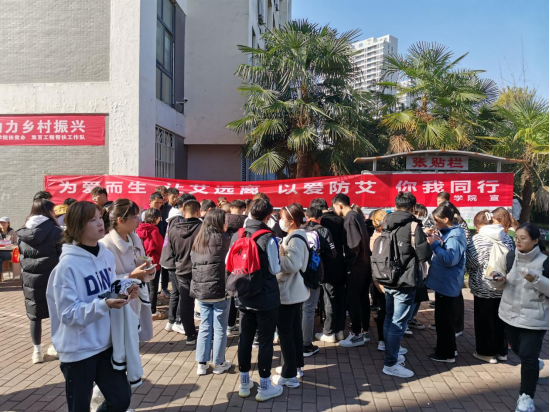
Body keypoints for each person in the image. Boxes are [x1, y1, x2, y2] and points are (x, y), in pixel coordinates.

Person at [47, 201, 137, 412]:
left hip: (106, 344)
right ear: (78, 226)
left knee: (121, 400)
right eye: (92, 220)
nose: (100, 223)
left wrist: (125, 288)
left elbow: (109, 286)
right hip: (78, 351)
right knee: (79, 407)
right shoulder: (66, 266)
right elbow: (68, 314)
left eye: (99, 218)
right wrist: (104, 305)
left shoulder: (105, 255)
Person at [231, 198, 283, 402]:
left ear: (250, 212)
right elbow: (275, 268)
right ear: (268, 216)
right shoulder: (268, 237)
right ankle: (264, 387)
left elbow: (230, 262)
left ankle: (244, 384)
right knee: (265, 342)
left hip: (243, 293)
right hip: (265, 298)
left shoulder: (238, 234)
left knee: (244, 339)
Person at [493, 223, 548, 412]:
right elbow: (496, 277)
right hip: (509, 315)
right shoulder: (509, 257)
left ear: (535, 240)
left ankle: (526, 398)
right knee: (518, 350)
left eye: (523, 238)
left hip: (535, 320)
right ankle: (533, 362)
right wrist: (497, 280)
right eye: (516, 237)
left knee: (528, 358)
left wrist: (536, 279)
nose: (518, 241)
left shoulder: (545, 262)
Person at [379, 192, 432, 378]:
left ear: (395, 206)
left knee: (389, 318)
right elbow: (424, 255)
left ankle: (390, 352)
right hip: (405, 280)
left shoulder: (385, 223)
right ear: (412, 208)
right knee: (398, 322)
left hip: (387, 278)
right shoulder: (413, 226)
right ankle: (391, 363)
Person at [99, 199, 156, 340]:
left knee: (133, 338)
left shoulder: (135, 238)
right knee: (122, 340)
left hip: (136, 297)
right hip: (119, 303)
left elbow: (141, 263)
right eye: (135, 216)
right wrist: (130, 276)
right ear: (120, 220)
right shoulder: (106, 244)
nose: (139, 220)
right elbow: (104, 281)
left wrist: (148, 269)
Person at [17, 199, 63, 363]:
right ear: (49, 212)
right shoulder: (56, 231)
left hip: (30, 279)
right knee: (56, 314)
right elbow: (63, 255)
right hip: (53, 277)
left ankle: (37, 352)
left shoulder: (22, 231)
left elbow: (21, 256)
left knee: (34, 315)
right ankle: (56, 347)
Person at [466, 210, 514, 364]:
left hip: (484, 285)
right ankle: (502, 351)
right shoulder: (506, 237)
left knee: (484, 320)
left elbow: (472, 262)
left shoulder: (478, 239)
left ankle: (486, 353)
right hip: (503, 284)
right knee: (501, 319)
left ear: (479, 225)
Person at [272, 204, 310, 387]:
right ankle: (295, 366)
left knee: (286, 332)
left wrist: (279, 256)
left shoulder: (295, 238)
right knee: (294, 330)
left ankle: (289, 375)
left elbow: (293, 265)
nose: (281, 222)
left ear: (292, 221)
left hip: (289, 291)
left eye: (283, 218)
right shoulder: (298, 236)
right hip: (295, 291)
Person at [191, 209, 232, 376]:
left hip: (201, 290)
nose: (227, 223)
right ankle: (219, 362)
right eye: (225, 220)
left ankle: (201, 363)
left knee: (205, 326)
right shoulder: (225, 240)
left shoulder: (198, 240)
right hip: (220, 289)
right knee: (220, 327)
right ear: (219, 222)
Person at [425, 204, 467, 364]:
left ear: (446, 219)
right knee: (443, 320)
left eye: (437, 221)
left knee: (444, 321)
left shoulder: (454, 237)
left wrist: (434, 244)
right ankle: (448, 348)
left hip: (447, 284)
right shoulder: (451, 232)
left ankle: (446, 354)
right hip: (445, 283)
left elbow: (450, 259)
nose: (435, 224)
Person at [332, 194, 371, 347]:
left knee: (354, 300)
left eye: (334, 207)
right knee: (363, 299)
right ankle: (364, 331)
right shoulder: (357, 216)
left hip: (356, 266)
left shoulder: (349, 218)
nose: (335, 211)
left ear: (340, 205)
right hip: (364, 264)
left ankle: (356, 334)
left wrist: (349, 262)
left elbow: (353, 245)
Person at [164, 200, 202, 343]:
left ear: (183, 212)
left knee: (186, 302)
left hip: (181, 269)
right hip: (199, 269)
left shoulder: (173, 230)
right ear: (198, 212)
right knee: (203, 302)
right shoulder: (203, 228)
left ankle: (190, 335)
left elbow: (170, 252)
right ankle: (205, 333)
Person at [302, 205, 336, 356]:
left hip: (298, 273)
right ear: (320, 218)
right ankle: (306, 344)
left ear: (306, 216)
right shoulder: (324, 231)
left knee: (298, 309)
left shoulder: (299, 230)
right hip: (314, 274)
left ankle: (296, 340)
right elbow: (332, 254)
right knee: (309, 309)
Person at [311, 198, 347, 343]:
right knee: (340, 298)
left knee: (329, 299)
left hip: (327, 266)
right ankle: (339, 330)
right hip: (342, 264)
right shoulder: (341, 220)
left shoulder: (320, 223)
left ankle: (329, 331)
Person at [136, 208, 165, 320]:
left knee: (145, 286)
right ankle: (152, 311)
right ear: (155, 218)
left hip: (142, 260)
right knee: (153, 287)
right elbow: (160, 247)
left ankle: (145, 308)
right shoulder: (154, 231)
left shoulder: (139, 229)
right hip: (153, 262)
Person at [225, 200, 248, 335]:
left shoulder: (223, 219)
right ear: (243, 209)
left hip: (227, 260)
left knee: (230, 293)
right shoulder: (244, 221)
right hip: (241, 260)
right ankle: (234, 323)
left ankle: (229, 324)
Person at [407, 204, 431, 333]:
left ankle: (409, 318)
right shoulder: (415, 227)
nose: (421, 217)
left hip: (417, 266)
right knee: (414, 295)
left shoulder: (417, 226)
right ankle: (407, 320)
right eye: (420, 214)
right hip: (415, 266)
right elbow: (423, 253)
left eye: (423, 214)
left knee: (416, 294)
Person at [367, 209, 388, 351]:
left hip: (377, 277)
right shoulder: (383, 238)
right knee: (386, 311)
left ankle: (383, 340)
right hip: (386, 278)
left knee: (382, 310)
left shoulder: (374, 237)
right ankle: (385, 340)